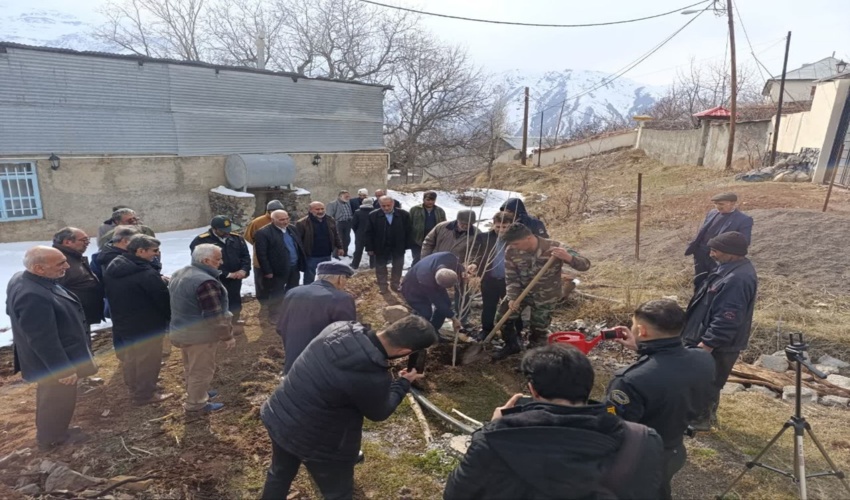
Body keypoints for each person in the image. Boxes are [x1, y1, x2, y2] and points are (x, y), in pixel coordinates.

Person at [444, 344, 663, 499]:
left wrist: (492, 429)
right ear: (589, 386)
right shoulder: (641, 440)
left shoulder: (495, 439)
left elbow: (457, 494)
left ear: (532, 390)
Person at [260, 316, 437, 499]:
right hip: (319, 443)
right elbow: (380, 412)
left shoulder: (338, 328)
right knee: (338, 493)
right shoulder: (372, 376)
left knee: (279, 474)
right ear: (405, 351)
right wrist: (402, 383)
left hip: (281, 415)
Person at [606, 299, 715, 499]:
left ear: (642, 330)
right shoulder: (703, 358)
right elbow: (671, 369)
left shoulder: (628, 381)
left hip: (640, 458)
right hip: (674, 448)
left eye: (633, 326)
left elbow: (614, 426)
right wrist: (643, 350)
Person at [6, 246, 98, 450]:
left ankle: (54, 431)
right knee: (57, 398)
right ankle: (54, 438)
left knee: (52, 396)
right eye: (60, 264)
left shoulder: (24, 279)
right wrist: (62, 368)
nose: (66, 266)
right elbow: (42, 338)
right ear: (39, 268)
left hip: (50, 356)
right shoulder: (33, 295)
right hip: (53, 360)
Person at [682, 231, 757, 431]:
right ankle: (703, 416)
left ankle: (699, 421)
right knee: (705, 379)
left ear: (732, 253)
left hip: (717, 344)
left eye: (716, 250)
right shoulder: (727, 269)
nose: (712, 254)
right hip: (707, 336)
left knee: (706, 381)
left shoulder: (736, 279)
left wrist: (708, 343)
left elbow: (728, 317)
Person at [493, 223, 591, 360]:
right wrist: (512, 297)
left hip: (546, 296)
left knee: (538, 329)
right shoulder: (511, 250)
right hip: (521, 293)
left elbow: (585, 265)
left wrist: (568, 258)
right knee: (502, 318)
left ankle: (533, 357)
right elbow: (511, 276)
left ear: (528, 238)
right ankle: (511, 345)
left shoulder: (555, 247)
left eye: (516, 243)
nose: (513, 247)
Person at [103, 235, 173, 405]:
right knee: (149, 359)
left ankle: (135, 386)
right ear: (141, 251)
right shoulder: (146, 273)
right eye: (154, 251)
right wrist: (169, 317)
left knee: (131, 357)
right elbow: (161, 299)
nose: (156, 255)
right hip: (147, 323)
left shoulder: (115, 267)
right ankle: (145, 394)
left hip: (124, 321)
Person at [168, 244, 236, 413]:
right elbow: (214, 316)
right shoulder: (206, 283)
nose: (221, 262)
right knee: (202, 370)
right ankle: (196, 404)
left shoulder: (181, 273)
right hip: (200, 336)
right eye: (218, 259)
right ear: (206, 260)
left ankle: (197, 392)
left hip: (181, 330)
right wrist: (227, 336)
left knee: (190, 366)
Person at [277, 261, 356, 375]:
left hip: (292, 367)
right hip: (322, 372)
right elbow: (346, 337)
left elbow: (280, 327)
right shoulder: (341, 298)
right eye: (346, 280)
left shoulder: (293, 292)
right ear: (340, 279)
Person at [400, 251, 464, 371]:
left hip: (432, 284)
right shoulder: (426, 278)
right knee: (425, 312)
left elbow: (459, 267)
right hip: (412, 288)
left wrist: (464, 272)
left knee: (447, 303)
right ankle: (413, 335)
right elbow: (438, 302)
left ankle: (433, 332)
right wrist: (454, 318)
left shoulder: (449, 257)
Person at [685, 192, 753, 291]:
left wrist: (725, 250)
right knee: (699, 279)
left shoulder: (743, 219)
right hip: (701, 252)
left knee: (715, 281)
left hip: (719, 256)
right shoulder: (712, 213)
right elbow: (703, 231)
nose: (718, 207)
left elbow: (745, 241)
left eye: (721, 204)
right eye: (716, 204)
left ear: (732, 203)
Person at [189, 216, 251, 324]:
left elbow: (245, 256)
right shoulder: (201, 241)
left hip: (236, 277)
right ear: (214, 229)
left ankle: (235, 320)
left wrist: (243, 270)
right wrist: (227, 274)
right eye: (223, 231)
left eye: (229, 229)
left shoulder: (237, 238)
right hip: (214, 279)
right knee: (216, 302)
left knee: (234, 299)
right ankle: (219, 325)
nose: (227, 233)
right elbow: (201, 263)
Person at [471, 211, 521, 339]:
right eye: (498, 226)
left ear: (511, 225)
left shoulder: (517, 239)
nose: (501, 230)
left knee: (513, 307)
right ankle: (486, 330)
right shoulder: (484, 238)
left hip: (510, 281)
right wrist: (474, 264)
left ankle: (516, 332)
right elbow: (477, 254)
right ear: (493, 225)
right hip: (489, 279)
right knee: (488, 306)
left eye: (505, 227)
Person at [254, 210, 305, 323]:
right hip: (277, 269)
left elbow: (298, 245)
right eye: (281, 219)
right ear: (273, 220)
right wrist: (267, 271)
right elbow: (261, 254)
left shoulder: (292, 229)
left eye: (287, 218)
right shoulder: (263, 233)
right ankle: (275, 314)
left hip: (294, 266)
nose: (285, 221)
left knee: (293, 289)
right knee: (276, 292)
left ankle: (291, 311)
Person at [52, 227, 104, 329]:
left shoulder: (73, 257)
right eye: (84, 240)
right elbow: (55, 291)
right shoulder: (58, 260)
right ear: (67, 242)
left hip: (82, 316)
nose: (88, 243)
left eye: (88, 240)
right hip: (72, 319)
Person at [365, 196, 412, 293]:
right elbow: (368, 233)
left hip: (398, 246)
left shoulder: (404, 215)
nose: (386, 208)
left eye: (388, 205)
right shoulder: (373, 215)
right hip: (380, 246)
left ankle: (395, 284)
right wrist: (370, 248)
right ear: (379, 205)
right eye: (383, 206)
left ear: (393, 204)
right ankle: (383, 286)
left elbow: (409, 231)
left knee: (398, 266)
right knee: (380, 267)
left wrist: (406, 245)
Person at [244, 200, 285, 307]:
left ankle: (276, 303)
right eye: (274, 210)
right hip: (261, 259)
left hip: (279, 259)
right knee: (262, 283)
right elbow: (248, 236)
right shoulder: (257, 222)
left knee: (277, 283)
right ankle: (263, 303)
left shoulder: (283, 220)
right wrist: (261, 245)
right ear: (268, 211)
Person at [295, 202, 344, 285]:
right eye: (317, 209)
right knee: (309, 277)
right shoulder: (302, 223)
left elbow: (335, 234)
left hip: (327, 254)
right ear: (310, 210)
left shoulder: (330, 220)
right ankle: (308, 294)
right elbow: (298, 241)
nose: (320, 211)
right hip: (311, 256)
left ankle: (324, 292)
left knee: (326, 276)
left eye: (322, 209)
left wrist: (340, 247)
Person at [409, 191, 447, 265]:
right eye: (428, 200)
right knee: (417, 259)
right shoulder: (415, 210)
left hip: (433, 240)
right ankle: (414, 274)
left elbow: (444, 225)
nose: (430, 202)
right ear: (423, 199)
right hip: (417, 240)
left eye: (432, 200)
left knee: (431, 259)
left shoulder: (440, 211)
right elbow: (409, 224)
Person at [326, 190, 355, 257]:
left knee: (347, 239)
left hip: (348, 223)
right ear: (340, 196)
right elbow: (329, 216)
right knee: (338, 239)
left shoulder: (348, 203)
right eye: (346, 196)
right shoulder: (332, 204)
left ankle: (345, 253)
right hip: (338, 223)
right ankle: (335, 254)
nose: (348, 197)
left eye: (348, 196)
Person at [350, 197, 375, 269]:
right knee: (372, 250)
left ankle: (355, 265)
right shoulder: (375, 212)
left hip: (360, 234)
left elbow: (354, 224)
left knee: (358, 250)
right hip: (372, 235)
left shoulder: (357, 212)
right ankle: (373, 265)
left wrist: (357, 231)